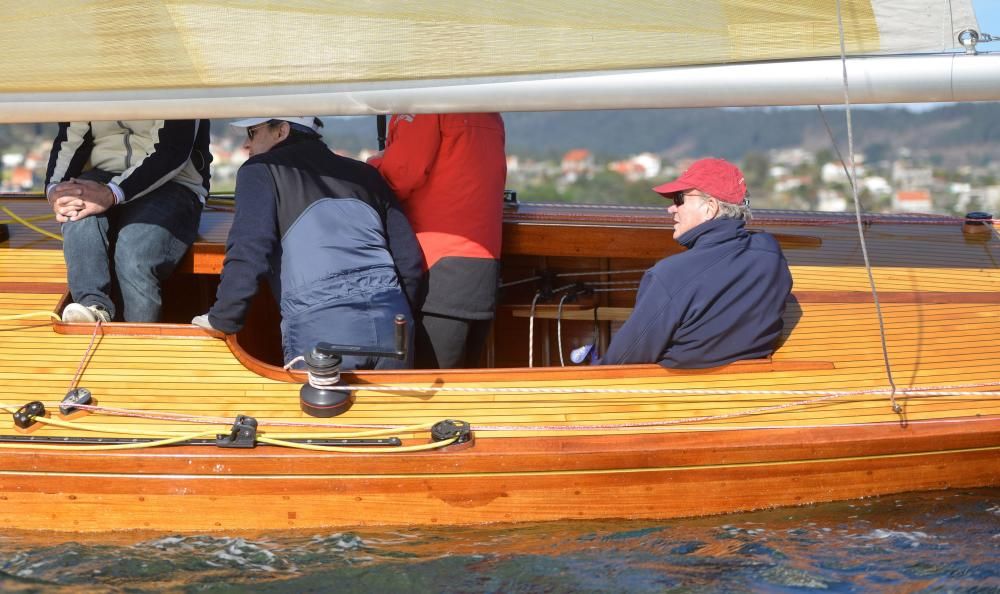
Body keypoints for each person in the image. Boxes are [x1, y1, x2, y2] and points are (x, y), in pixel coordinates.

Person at [193, 117, 425, 371]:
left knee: (324, 410)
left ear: (281, 131)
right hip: (393, 322)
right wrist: (400, 314)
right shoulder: (366, 174)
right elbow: (408, 261)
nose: (247, 143)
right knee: (388, 411)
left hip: (322, 324)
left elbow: (249, 248)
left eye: (253, 132)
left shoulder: (259, 169)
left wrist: (224, 318)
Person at [600, 158, 792, 368]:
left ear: (710, 208)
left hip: (678, 393)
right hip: (749, 388)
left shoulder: (669, 275)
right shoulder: (770, 253)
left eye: (679, 199)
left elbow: (620, 363)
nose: (671, 209)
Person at [368, 113, 506, 369]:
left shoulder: (427, 106)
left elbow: (398, 176)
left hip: (437, 267)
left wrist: (373, 164)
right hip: (483, 266)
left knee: (431, 385)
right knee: (463, 385)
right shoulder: (490, 111)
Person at [45, 120, 211, 323]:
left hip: (174, 181)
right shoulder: (81, 88)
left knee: (135, 253)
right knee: (76, 212)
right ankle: (93, 309)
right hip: (103, 174)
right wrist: (55, 190)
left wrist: (113, 193)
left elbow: (172, 151)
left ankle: (139, 339)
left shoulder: (178, 88)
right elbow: (71, 136)